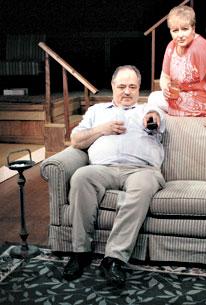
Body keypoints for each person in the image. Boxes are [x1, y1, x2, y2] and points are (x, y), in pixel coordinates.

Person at [62, 65, 166, 287]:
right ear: (112, 87)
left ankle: (114, 258)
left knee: (145, 184)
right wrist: (102, 129)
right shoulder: (97, 111)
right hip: (103, 169)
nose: (127, 92)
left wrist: (153, 116)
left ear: (139, 88)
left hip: (141, 170)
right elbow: (76, 140)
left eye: (132, 87)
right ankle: (80, 253)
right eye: (121, 86)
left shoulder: (147, 109)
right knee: (81, 176)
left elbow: (155, 119)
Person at [148, 5, 206, 135]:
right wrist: (165, 89)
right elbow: (164, 77)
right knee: (154, 97)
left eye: (185, 29)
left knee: (154, 100)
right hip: (184, 95)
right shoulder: (171, 46)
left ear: (193, 28)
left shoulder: (200, 48)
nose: (180, 35)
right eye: (175, 30)